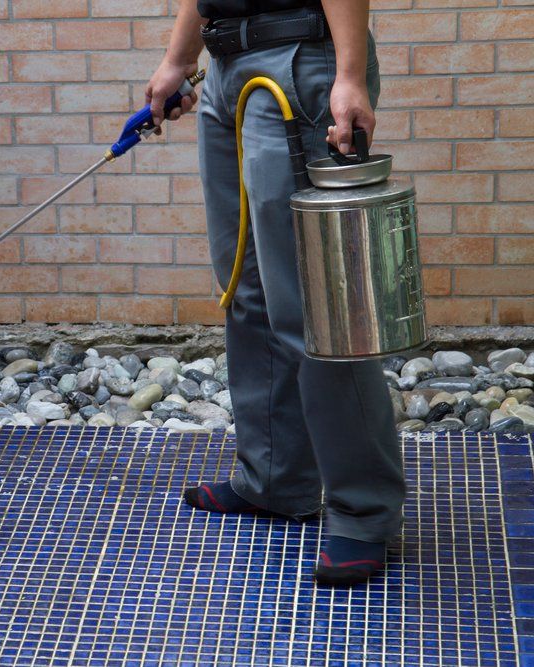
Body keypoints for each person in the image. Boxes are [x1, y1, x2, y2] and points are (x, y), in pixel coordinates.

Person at [146, 0, 405, 587]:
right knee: (248, 285)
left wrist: (350, 76)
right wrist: (178, 59)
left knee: (315, 310)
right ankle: (274, 480)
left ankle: (364, 514)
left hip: (296, 64)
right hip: (226, 68)